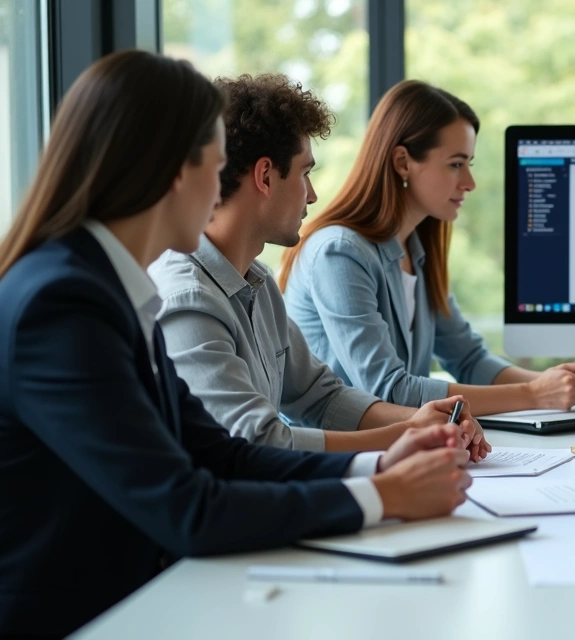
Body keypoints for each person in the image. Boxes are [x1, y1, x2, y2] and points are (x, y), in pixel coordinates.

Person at [0, 51, 475, 638]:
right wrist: (383, 496)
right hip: (87, 620)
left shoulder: (111, 288)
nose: (223, 187)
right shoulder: (65, 304)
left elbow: (219, 454)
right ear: (177, 171)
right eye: (218, 164)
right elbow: (188, 508)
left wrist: (377, 463)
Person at [149, 73, 490, 460]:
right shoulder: (189, 299)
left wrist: (416, 424)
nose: (312, 194)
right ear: (264, 177)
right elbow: (258, 442)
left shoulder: (256, 283)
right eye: (305, 173)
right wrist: (402, 439)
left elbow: (320, 396)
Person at [278, 80, 575, 415]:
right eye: (455, 164)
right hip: (342, 458)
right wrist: (535, 394)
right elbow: (389, 390)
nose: (470, 183)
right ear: (403, 162)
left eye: (469, 164)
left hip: (405, 449)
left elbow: (469, 359)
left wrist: (555, 383)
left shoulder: (417, 252)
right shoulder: (339, 253)